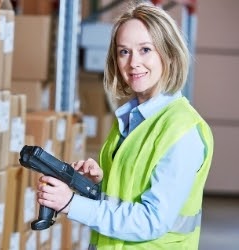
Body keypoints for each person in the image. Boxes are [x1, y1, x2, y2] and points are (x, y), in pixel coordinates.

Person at [36, 2, 214, 249]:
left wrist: (70, 204)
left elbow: (152, 221)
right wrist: (96, 184)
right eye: (124, 52)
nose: (133, 63)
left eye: (145, 50)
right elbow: (127, 197)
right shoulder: (130, 120)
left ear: (169, 54)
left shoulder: (182, 131)